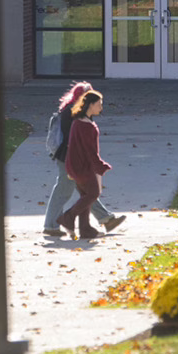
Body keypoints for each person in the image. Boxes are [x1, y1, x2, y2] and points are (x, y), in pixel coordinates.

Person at [42, 82, 123, 238]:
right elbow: (79, 141)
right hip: (68, 159)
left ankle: (104, 219)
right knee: (66, 192)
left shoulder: (73, 110)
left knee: (87, 192)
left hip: (69, 158)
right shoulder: (73, 113)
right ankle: (52, 225)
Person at [59, 88, 113, 240]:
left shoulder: (78, 121)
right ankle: (68, 217)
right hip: (83, 167)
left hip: (75, 166)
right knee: (93, 194)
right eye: (99, 104)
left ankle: (85, 229)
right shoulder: (87, 126)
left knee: (85, 196)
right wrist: (101, 166)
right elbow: (90, 151)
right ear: (90, 105)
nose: (101, 108)